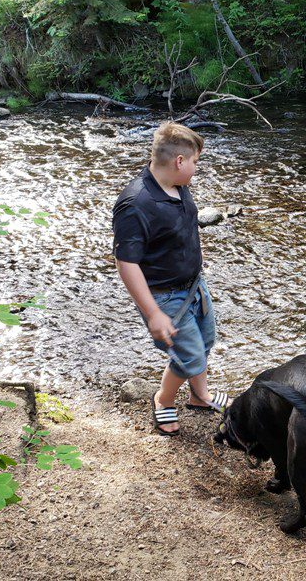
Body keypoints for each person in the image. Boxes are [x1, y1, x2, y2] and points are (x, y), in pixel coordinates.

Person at [113, 122, 227, 436]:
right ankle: (163, 400)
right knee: (189, 355)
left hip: (192, 286)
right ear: (179, 161)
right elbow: (127, 263)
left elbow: (181, 228)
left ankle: (198, 397)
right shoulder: (136, 204)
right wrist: (153, 314)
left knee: (204, 342)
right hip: (165, 297)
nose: (196, 169)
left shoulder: (176, 186)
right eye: (195, 162)